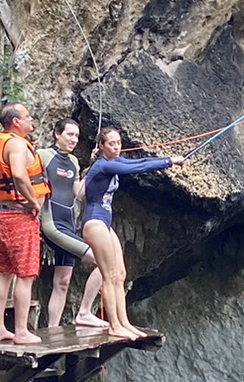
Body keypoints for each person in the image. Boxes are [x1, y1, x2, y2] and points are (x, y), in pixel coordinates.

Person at [75, 125, 182, 342]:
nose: (116, 147)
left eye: (118, 143)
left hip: (104, 223)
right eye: (111, 144)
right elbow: (138, 166)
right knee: (109, 276)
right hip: (94, 222)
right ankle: (114, 325)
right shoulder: (104, 165)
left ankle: (124, 322)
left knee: (121, 274)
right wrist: (169, 161)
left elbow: (135, 162)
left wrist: (168, 161)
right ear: (101, 146)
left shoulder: (112, 162)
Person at [0, 101, 49, 345]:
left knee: (5, 273)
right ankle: (21, 331)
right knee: (25, 275)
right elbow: (19, 175)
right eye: (27, 116)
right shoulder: (17, 144)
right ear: (15, 122)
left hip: (3, 216)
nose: (31, 119)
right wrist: (33, 202)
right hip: (21, 217)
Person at [40, 116, 93, 331]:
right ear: (57, 134)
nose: (74, 139)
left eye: (77, 136)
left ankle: (53, 329)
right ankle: (85, 312)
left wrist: (91, 172)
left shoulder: (73, 162)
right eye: (70, 134)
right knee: (102, 260)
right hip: (51, 223)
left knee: (62, 282)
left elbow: (77, 194)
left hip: (68, 224)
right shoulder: (43, 155)